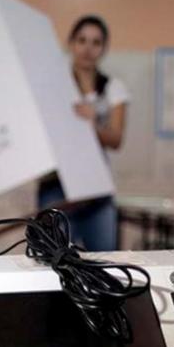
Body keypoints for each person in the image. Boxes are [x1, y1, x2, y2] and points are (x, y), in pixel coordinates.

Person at [38, 15, 129, 251]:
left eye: (96, 42)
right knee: (53, 262)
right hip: (56, 186)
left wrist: (91, 124)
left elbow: (116, 139)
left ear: (104, 48)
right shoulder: (51, 86)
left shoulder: (113, 87)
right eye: (82, 40)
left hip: (96, 189)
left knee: (105, 263)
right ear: (71, 44)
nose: (88, 49)